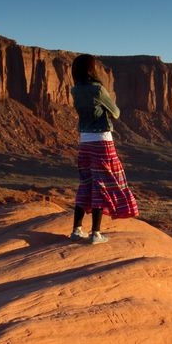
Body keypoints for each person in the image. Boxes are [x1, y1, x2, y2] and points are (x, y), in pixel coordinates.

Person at [69, 54, 139, 243]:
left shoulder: (74, 90)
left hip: (84, 141)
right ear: (92, 69)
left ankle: (76, 230)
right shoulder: (98, 89)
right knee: (103, 184)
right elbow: (116, 113)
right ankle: (95, 233)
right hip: (102, 141)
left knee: (87, 183)